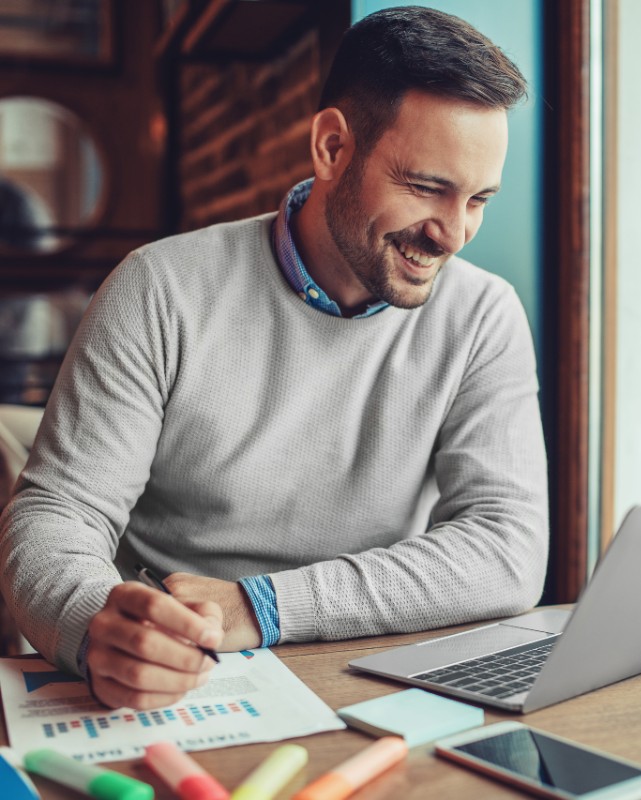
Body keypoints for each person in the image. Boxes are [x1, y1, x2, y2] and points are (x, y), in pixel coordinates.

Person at [0, 6, 548, 710]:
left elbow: (507, 548)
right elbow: (57, 514)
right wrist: (93, 622)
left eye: (479, 199)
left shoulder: (483, 315)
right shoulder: (159, 288)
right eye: (426, 188)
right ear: (330, 147)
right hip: (184, 681)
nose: (454, 233)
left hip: (376, 679)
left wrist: (259, 606)